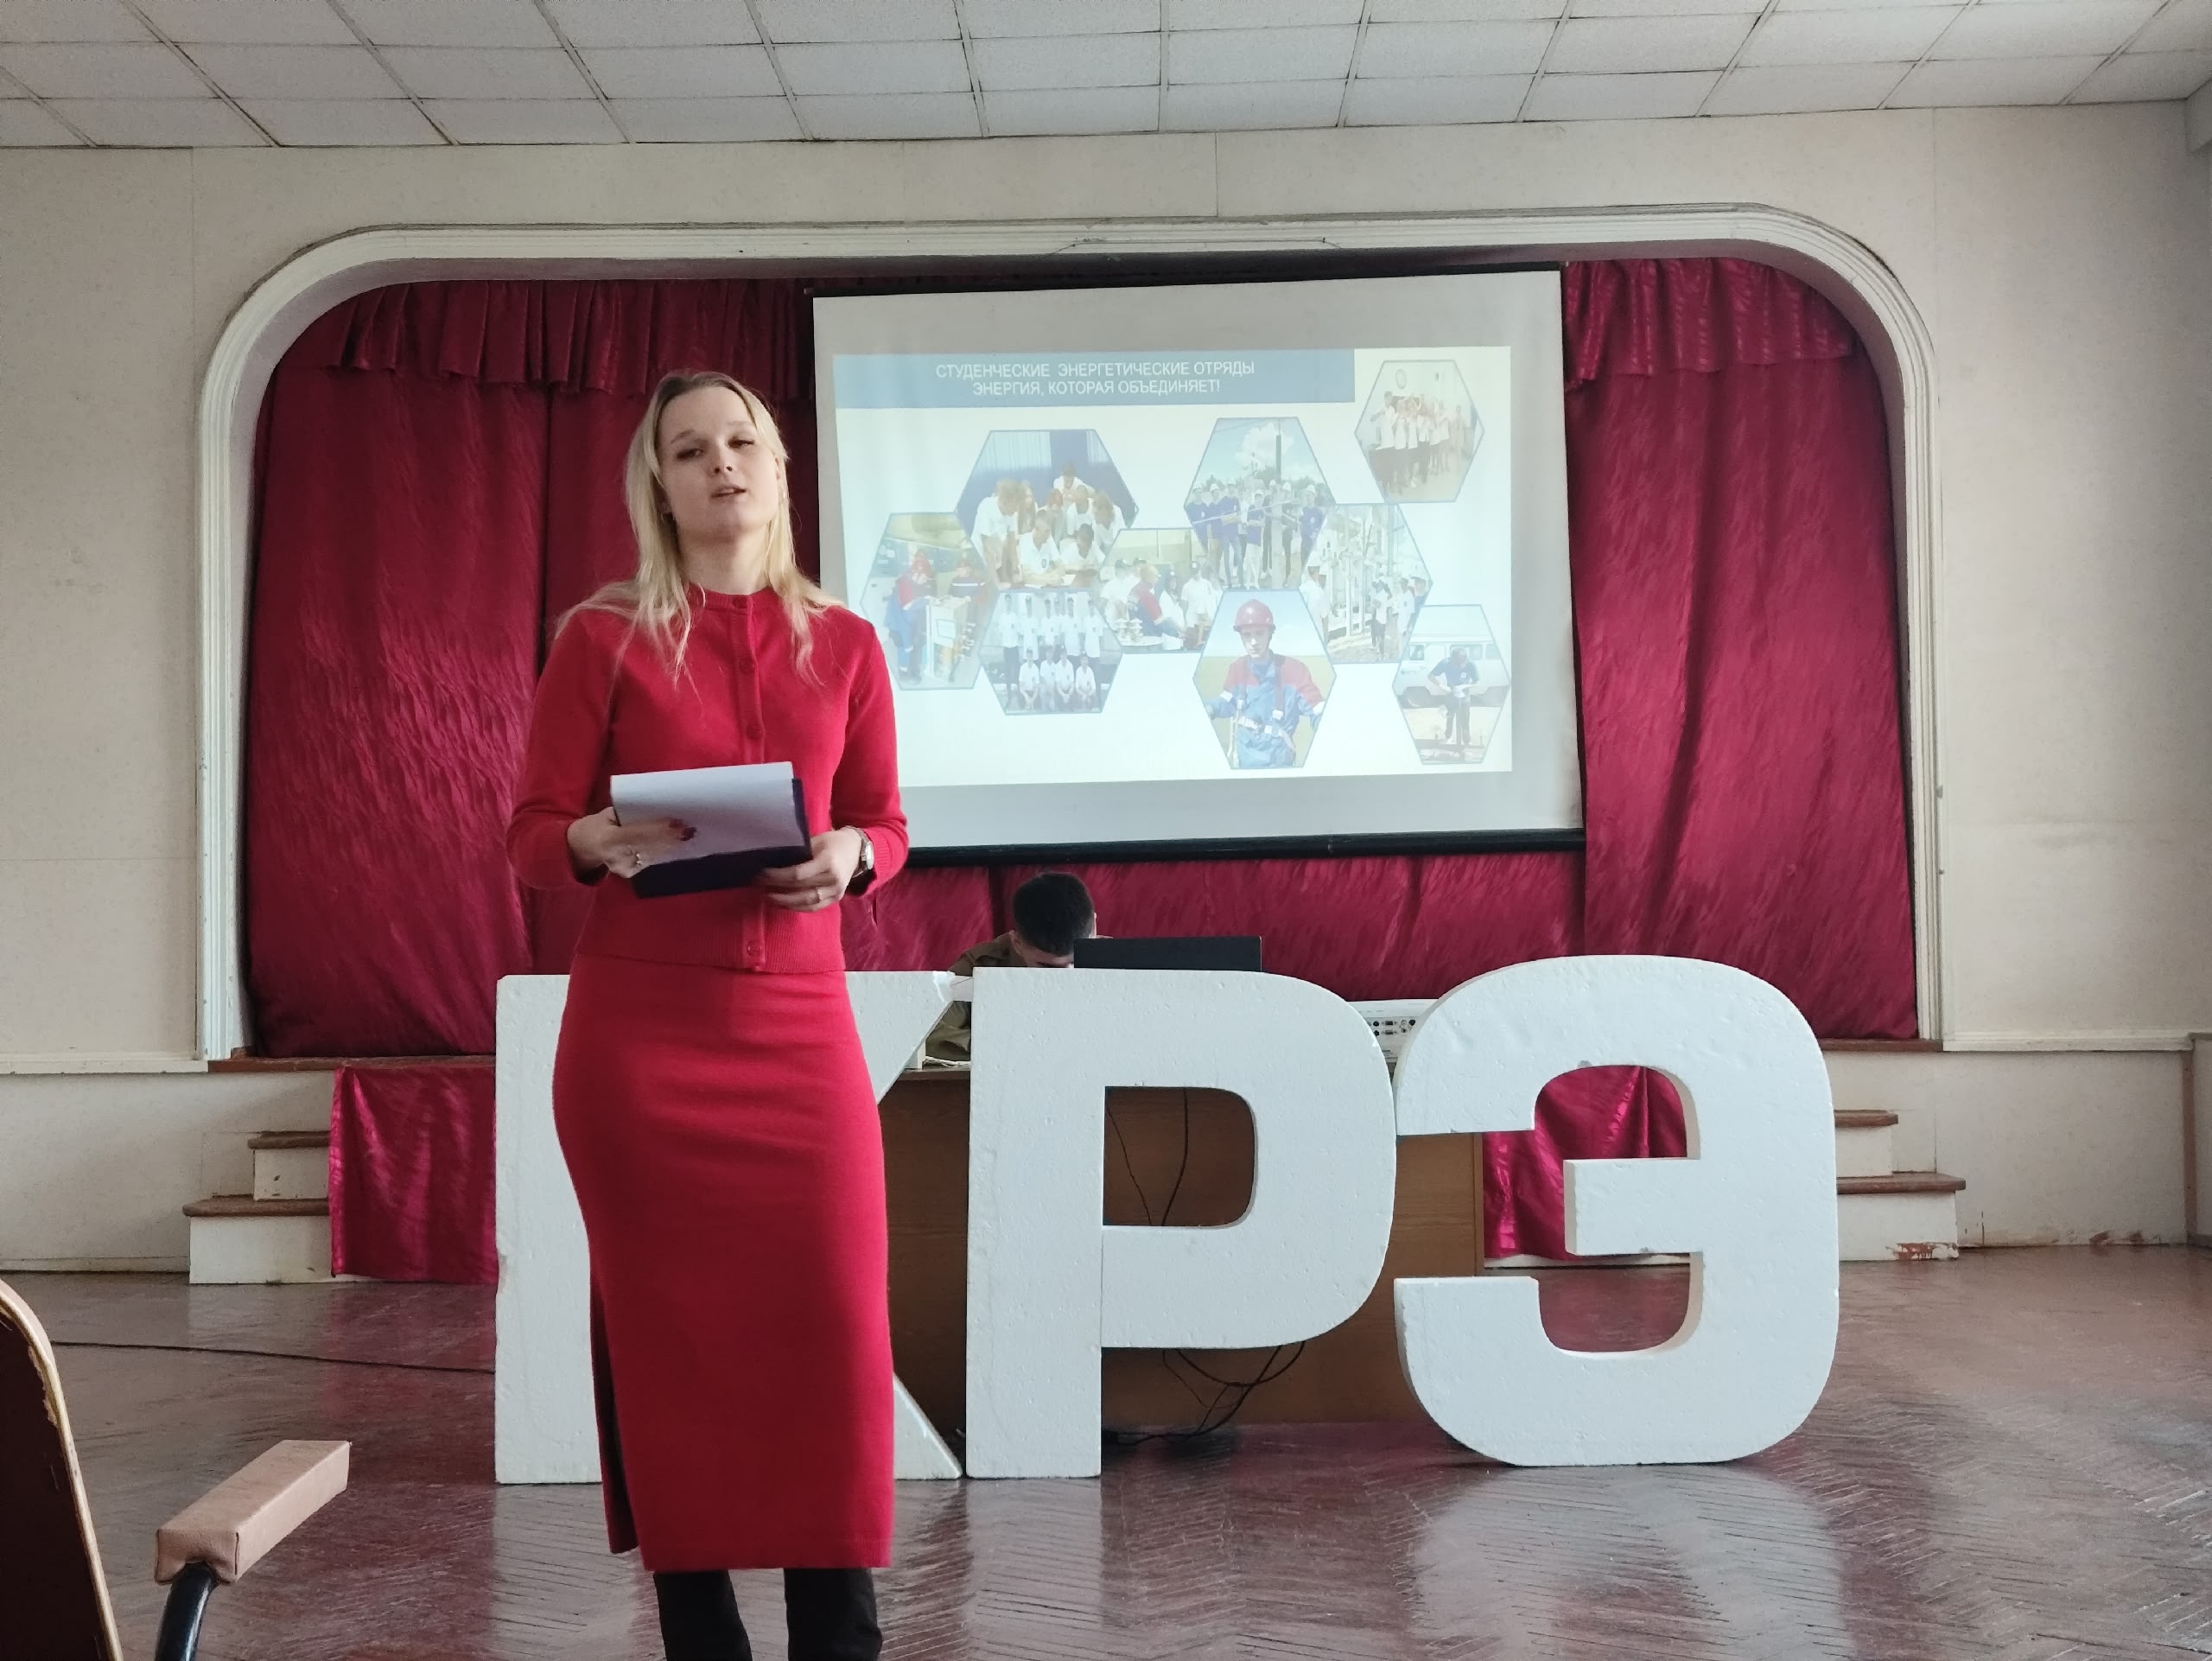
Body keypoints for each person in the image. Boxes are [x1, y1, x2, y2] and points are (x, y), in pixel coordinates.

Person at [506, 371, 901, 1661]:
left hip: (801, 1031)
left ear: (779, 470)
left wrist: (853, 856)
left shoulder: (848, 643)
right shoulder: (600, 638)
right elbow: (530, 834)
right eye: (690, 450)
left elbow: (887, 820)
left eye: (741, 442)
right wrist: (592, 837)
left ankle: (840, 1636)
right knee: (673, 1343)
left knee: (834, 1335)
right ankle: (700, 1633)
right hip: (642, 1039)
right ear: (659, 486)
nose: (720, 463)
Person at [925, 872, 1097, 1061]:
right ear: (1017, 943)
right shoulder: (982, 965)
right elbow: (927, 1036)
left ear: (1094, 929)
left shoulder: (1119, 964)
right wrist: (1016, 1047)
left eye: (1074, 963)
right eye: (1047, 967)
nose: (1063, 978)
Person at [1206, 599, 1325, 770]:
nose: (1253, 642)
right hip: (1244, 763)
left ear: (1270, 634)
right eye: (1247, 635)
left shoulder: (1294, 671)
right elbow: (1227, 701)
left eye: (1259, 633)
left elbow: (1317, 710)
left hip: (1278, 765)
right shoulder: (1237, 668)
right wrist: (1209, 708)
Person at [883, 548, 931, 682]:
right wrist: (926, 601)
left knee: (908, 647)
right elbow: (907, 607)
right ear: (916, 574)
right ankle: (904, 674)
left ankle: (910, 670)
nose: (925, 580)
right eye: (924, 578)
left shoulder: (910, 582)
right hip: (898, 625)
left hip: (904, 622)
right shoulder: (905, 584)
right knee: (905, 648)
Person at [1427, 642, 1481, 753]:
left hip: (1465, 697)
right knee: (1449, 718)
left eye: (1459, 665)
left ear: (1465, 661)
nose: (1456, 667)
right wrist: (1442, 686)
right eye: (1454, 664)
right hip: (1450, 696)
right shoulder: (1445, 663)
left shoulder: (1471, 665)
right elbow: (1430, 676)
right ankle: (1448, 737)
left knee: (1465, 720)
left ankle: (1466, 741)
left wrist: (1464, 686)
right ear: (1451, 659)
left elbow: (1478, 682)